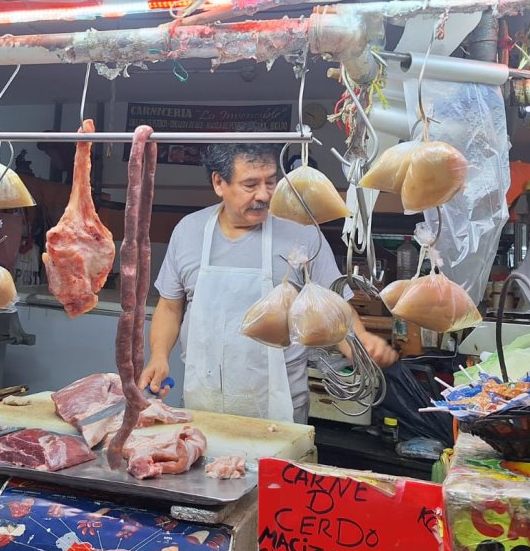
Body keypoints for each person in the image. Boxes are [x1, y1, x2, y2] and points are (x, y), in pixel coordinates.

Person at [140, 144, 398, 424]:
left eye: (271, 182)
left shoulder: (302, 231)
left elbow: (334, 304)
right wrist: (159, 356)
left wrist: (358, 344)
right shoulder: (188, 231)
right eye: (250, 184)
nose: (264, 195)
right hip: (203, 402)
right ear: (219, 182)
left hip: (278, 408)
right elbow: (170, 307)